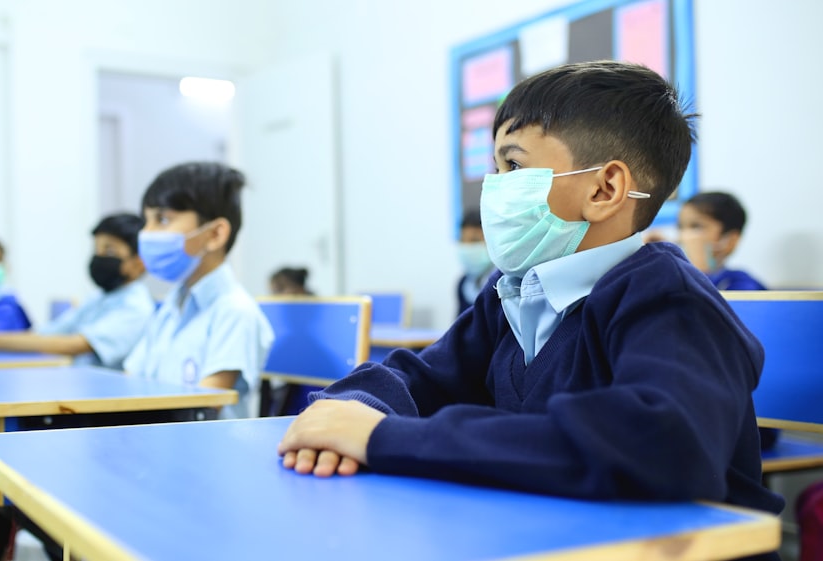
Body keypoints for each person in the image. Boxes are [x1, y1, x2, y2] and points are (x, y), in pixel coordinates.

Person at [276, 60, 784, 552]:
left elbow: (658, 445)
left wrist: (385, 438)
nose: (494, 188)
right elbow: (419, 375)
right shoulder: (513, 290)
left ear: (605, 189)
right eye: (495, 168)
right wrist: (349, 411)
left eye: (513, 165)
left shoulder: (670, 298)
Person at [123, 162, 274, 419]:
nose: (146, 234)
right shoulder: (172, 305)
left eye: (162, 219)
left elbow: (202, 408)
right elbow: (130, 381)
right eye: (145, 221)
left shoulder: (234, 312)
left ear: (215, 234)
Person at [0, 214, 153, 369]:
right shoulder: (100, 297)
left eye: (109, 250)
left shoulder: (135, 307)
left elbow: (73, 345)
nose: (99, 257)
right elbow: (48, 333)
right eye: (96, 249)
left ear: (139, 263)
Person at [677, 191, 767, 290]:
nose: (682, 237)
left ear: (730, 241)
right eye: (680, 227)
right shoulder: (674, 277)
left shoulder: (741, 283)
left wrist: (700, 271)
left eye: (696, 227)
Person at [456, 208, 494, 316]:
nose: (467, 247)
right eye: (463, 241)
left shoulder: (503, 283)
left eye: (475, 241)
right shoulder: (463, 283)